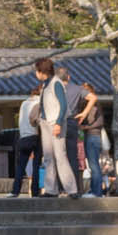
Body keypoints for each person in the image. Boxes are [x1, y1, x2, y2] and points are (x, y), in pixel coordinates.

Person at [34, 60, 80, 197]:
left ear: (42, 72)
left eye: (37, 71)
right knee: (48, 157)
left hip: (56, 122)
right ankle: (51, 189)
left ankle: (72, 189)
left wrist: (59, 123)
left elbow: (63, 105)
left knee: (60, 156)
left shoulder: (56, 83)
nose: (36, 74)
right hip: (45, 122)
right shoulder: (45, 85)